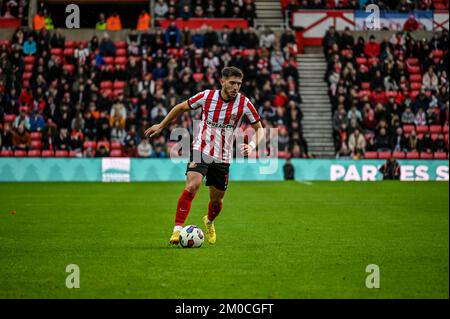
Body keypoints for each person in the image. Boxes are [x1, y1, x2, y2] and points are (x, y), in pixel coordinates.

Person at [145, 66, 264, 245]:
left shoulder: (244, 103)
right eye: (232, 83)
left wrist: (253, 144)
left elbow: (259, 129)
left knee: (217, 201)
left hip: (223, 157)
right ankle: (177, 230)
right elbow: (181, 107)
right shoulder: (207, 96)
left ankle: (209, 221)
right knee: (193, 185)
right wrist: (161, 125)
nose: (235, 87)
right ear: (222, 81)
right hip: (201, 149)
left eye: (239, 84)